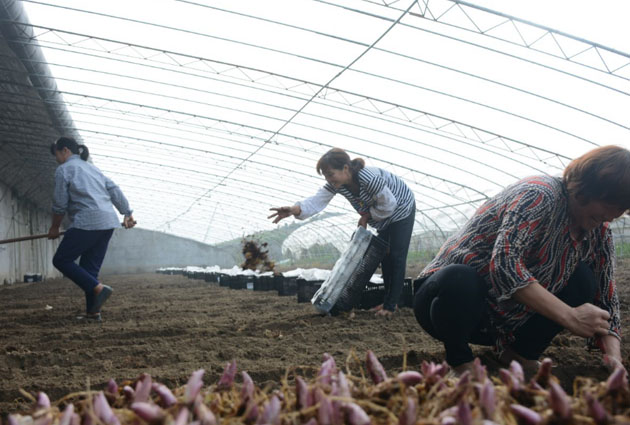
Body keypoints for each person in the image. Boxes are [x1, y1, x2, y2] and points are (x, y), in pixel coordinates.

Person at [413, 145, 629, 375]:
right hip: (447, 307)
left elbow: (606, 295)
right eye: (610, 204)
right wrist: (571, 316)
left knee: (584, 280)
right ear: (587, 188)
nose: (612, 216)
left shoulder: (599, 230)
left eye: (621, 209)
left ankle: (520, 353)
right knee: (461, 278)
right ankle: (460, 361)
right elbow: (505, 266)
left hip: (504, 323)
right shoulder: (539, 195)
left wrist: (614, 357)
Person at [268, 148, 416, 316]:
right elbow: (317, 201)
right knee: (385, 255)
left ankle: (390, 306)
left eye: (330, 174)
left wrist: (367, 216)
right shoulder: (338, 184)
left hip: (401, 208)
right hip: (382, 215)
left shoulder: (369, 178)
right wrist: (294, 210)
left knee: (396, 255)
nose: (329, 180)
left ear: (346, 168)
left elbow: (389, 204)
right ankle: (389, 303)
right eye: (325, 176)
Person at [48, 137, 136, 322]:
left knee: (61, 260)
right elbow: (114, 189)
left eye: (56, 153)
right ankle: (93, 313)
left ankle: (99, 289)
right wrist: (127, 213)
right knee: (89, 270)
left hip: (88, 222)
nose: (55, 158)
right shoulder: (93, 169)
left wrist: (55, 227)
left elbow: (60, 204)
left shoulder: (63, 170)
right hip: (108, 223)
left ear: (64, 151)